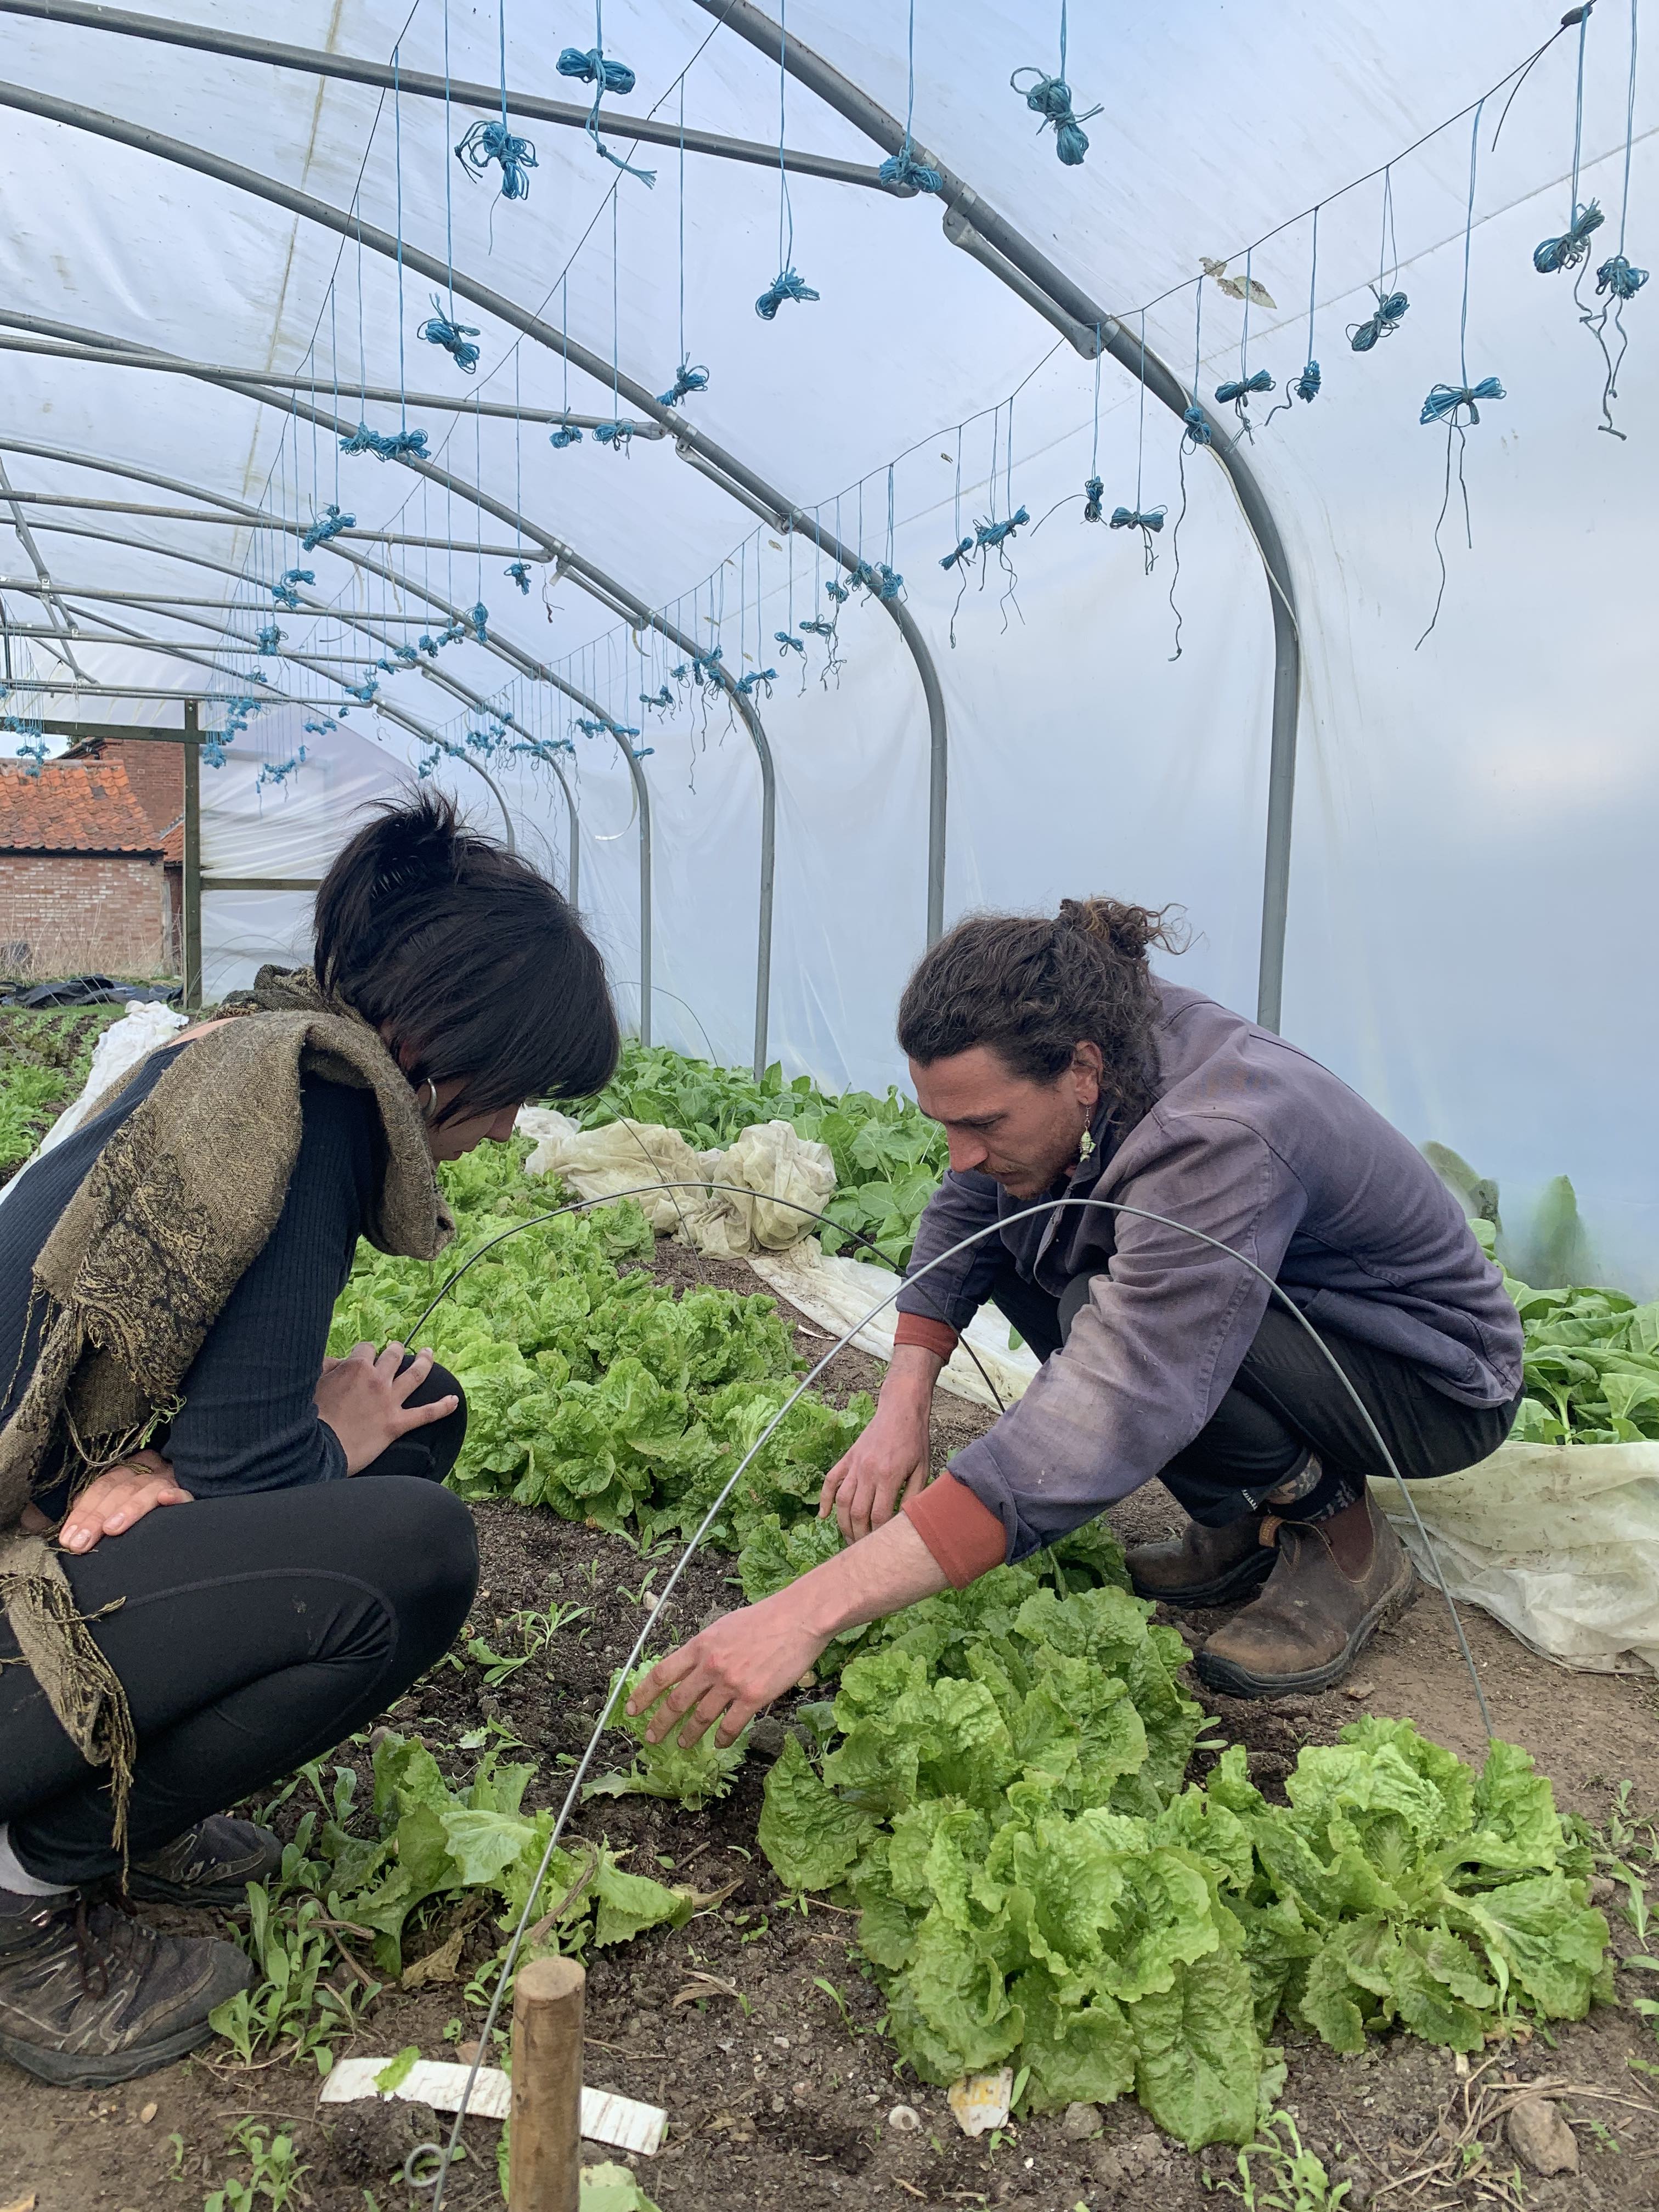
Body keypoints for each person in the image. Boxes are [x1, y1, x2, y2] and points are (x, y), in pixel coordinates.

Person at [0, 792, 618, 2086]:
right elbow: (246, 1478)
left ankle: (110, 1817)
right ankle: (21, 1893)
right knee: (415, 1549)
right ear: (455, 1039)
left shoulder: (241, 1061)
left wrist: (248, 1442)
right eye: (520, 1091)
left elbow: (207, 1426)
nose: (509, 1129)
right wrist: (310, 1442)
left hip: (29, 1514)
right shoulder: (320, 1101)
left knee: (416, 1405)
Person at [629, 898, 1522, 1752]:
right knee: (1038, 1243)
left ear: (1084, 1071)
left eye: (982, 1122)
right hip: (1298, 1321)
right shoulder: (1093, 1040)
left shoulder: (1218, 1132)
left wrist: (805, 1610)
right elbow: (965, 1205)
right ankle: (1240, 1524)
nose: (961, 1152)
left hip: (1425, 1377)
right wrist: (902, 1404)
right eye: (944, 1123)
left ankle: (1343, 1536)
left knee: (1109, 1319)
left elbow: (1121, 1393)